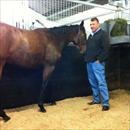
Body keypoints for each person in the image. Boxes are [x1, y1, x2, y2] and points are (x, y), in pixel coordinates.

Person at [85, 17, 110, 111]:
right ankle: (96, 99)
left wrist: (99, 60)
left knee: (101, 82)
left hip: (97, 63)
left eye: (93, 24)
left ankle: (106, 103)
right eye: (90, 24)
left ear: (98, 24)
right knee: (93, 82)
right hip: (89, 62)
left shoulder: (103, 34)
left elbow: (106, 48)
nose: (92, 26)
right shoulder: (90, 35)